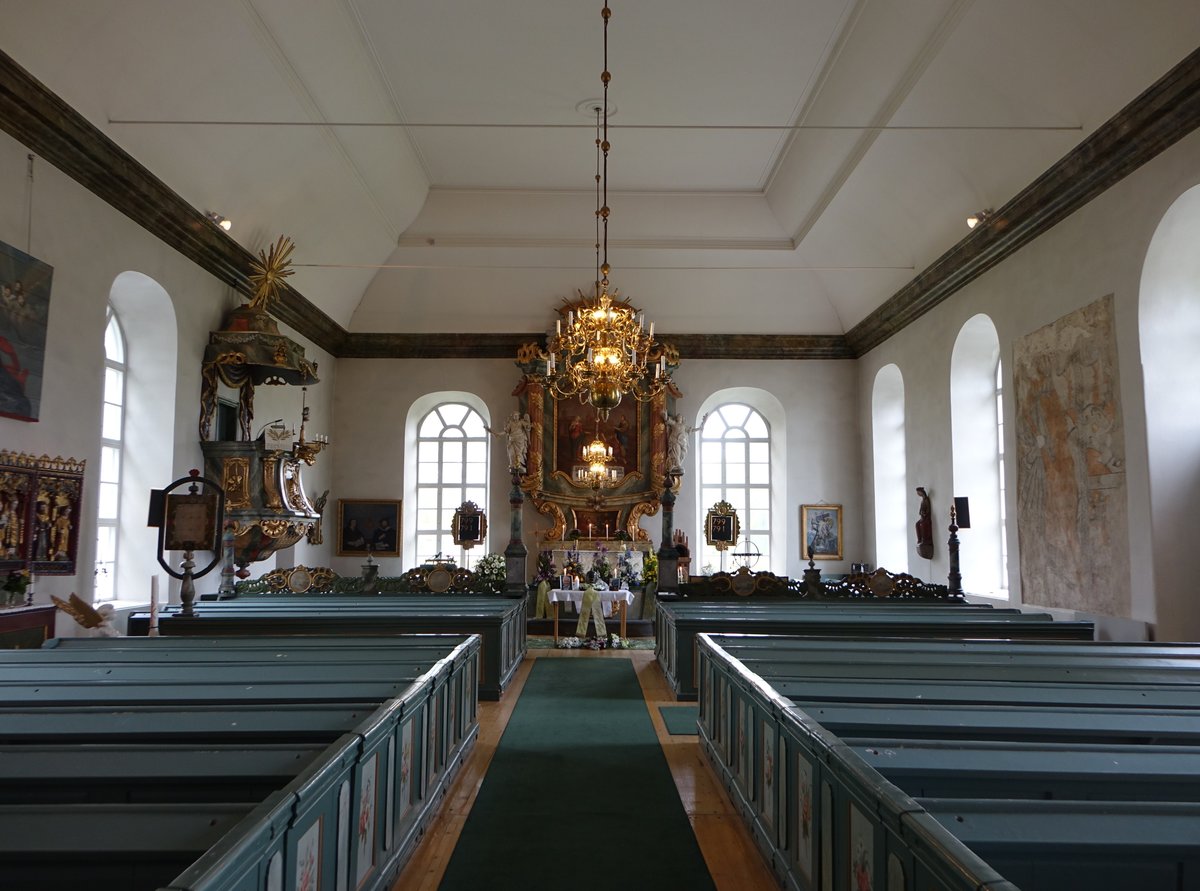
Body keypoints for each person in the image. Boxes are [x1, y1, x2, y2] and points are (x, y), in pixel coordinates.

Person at [915, 486, 933, 559]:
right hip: (923, 516)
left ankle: (925, 539)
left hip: (926, 517)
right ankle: (920, 539)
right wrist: (921, 513)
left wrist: (924, 514)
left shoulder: (926, 500)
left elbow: (928, 510)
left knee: (922, 524)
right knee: (917, 524)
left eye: (918, 493)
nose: (918, 494)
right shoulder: (923, 500)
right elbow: (920, 510)